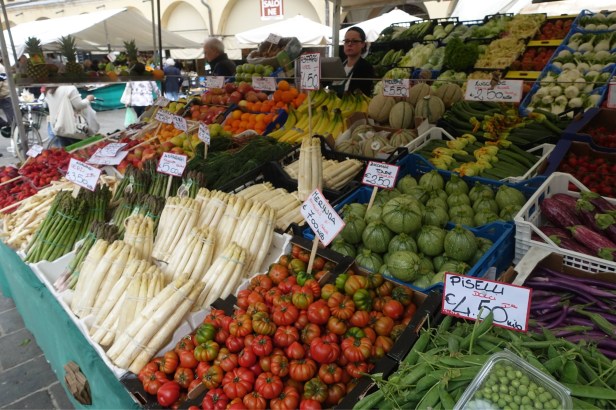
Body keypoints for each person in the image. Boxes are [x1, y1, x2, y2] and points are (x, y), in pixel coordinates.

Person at [338, 26, 376, 96]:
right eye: (347, 41)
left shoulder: (366, 68)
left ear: (363, 44)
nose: (349, 44)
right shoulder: (338, 65)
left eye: (354, 41)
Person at [0, 61, 15, 139]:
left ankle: (17, 137)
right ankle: (4, 125)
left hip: (5, 95)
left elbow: (0, 82)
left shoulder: (1, 68)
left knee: (12, 120)